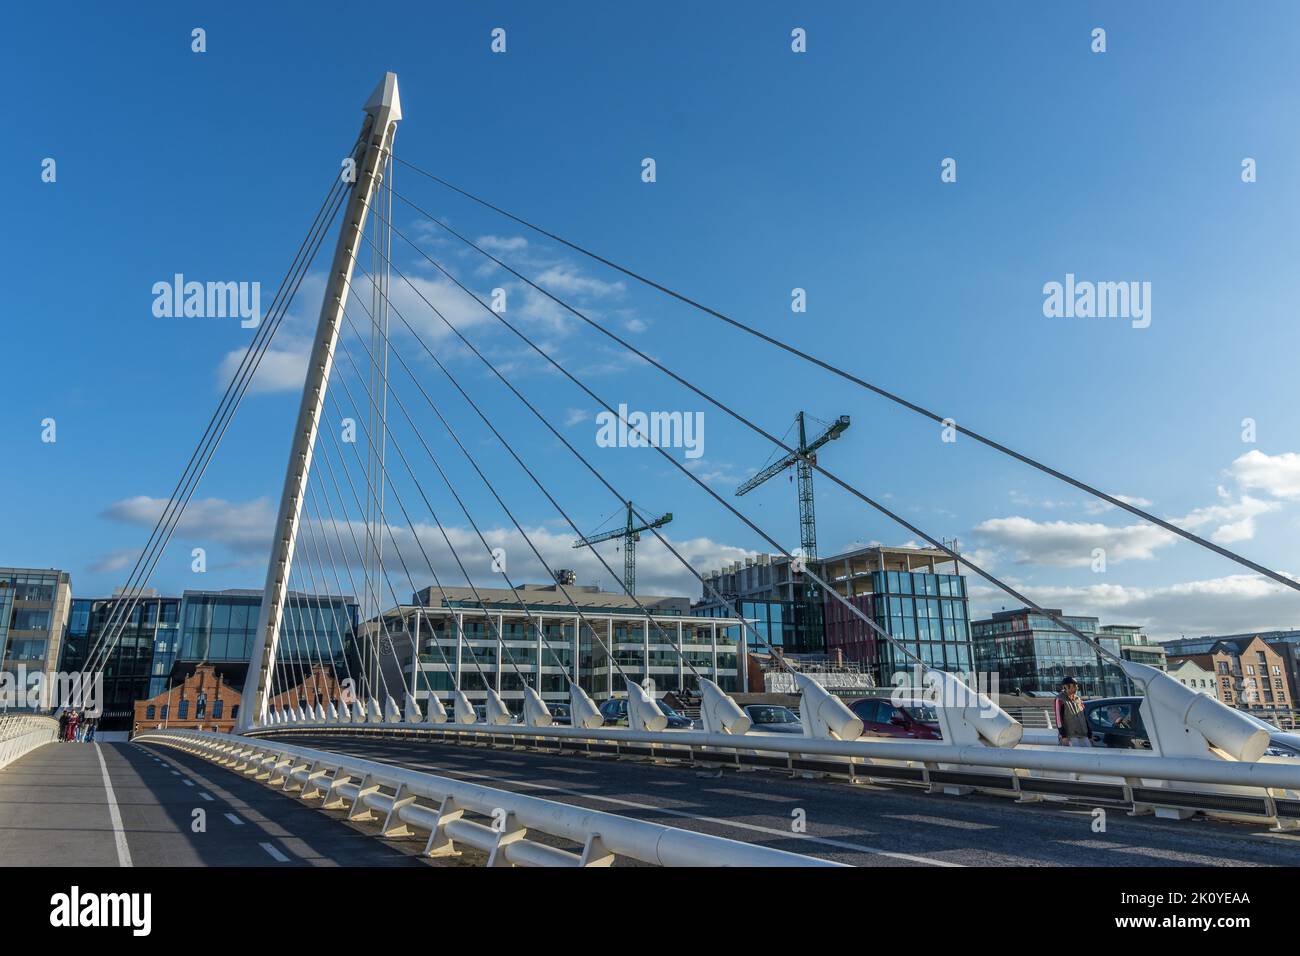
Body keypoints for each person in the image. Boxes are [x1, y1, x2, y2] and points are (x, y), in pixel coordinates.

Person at [1054, 676, 1091, 747]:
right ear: (1066, 686)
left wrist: (1089, 735)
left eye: (1076, 685)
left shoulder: (1079, 699)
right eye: (1074, 685)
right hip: (1070, 736)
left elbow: (1085, 717)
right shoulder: (1060, 699)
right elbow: (1059, 720)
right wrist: (1064, 736)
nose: (1077, 688)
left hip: (1084, 735)